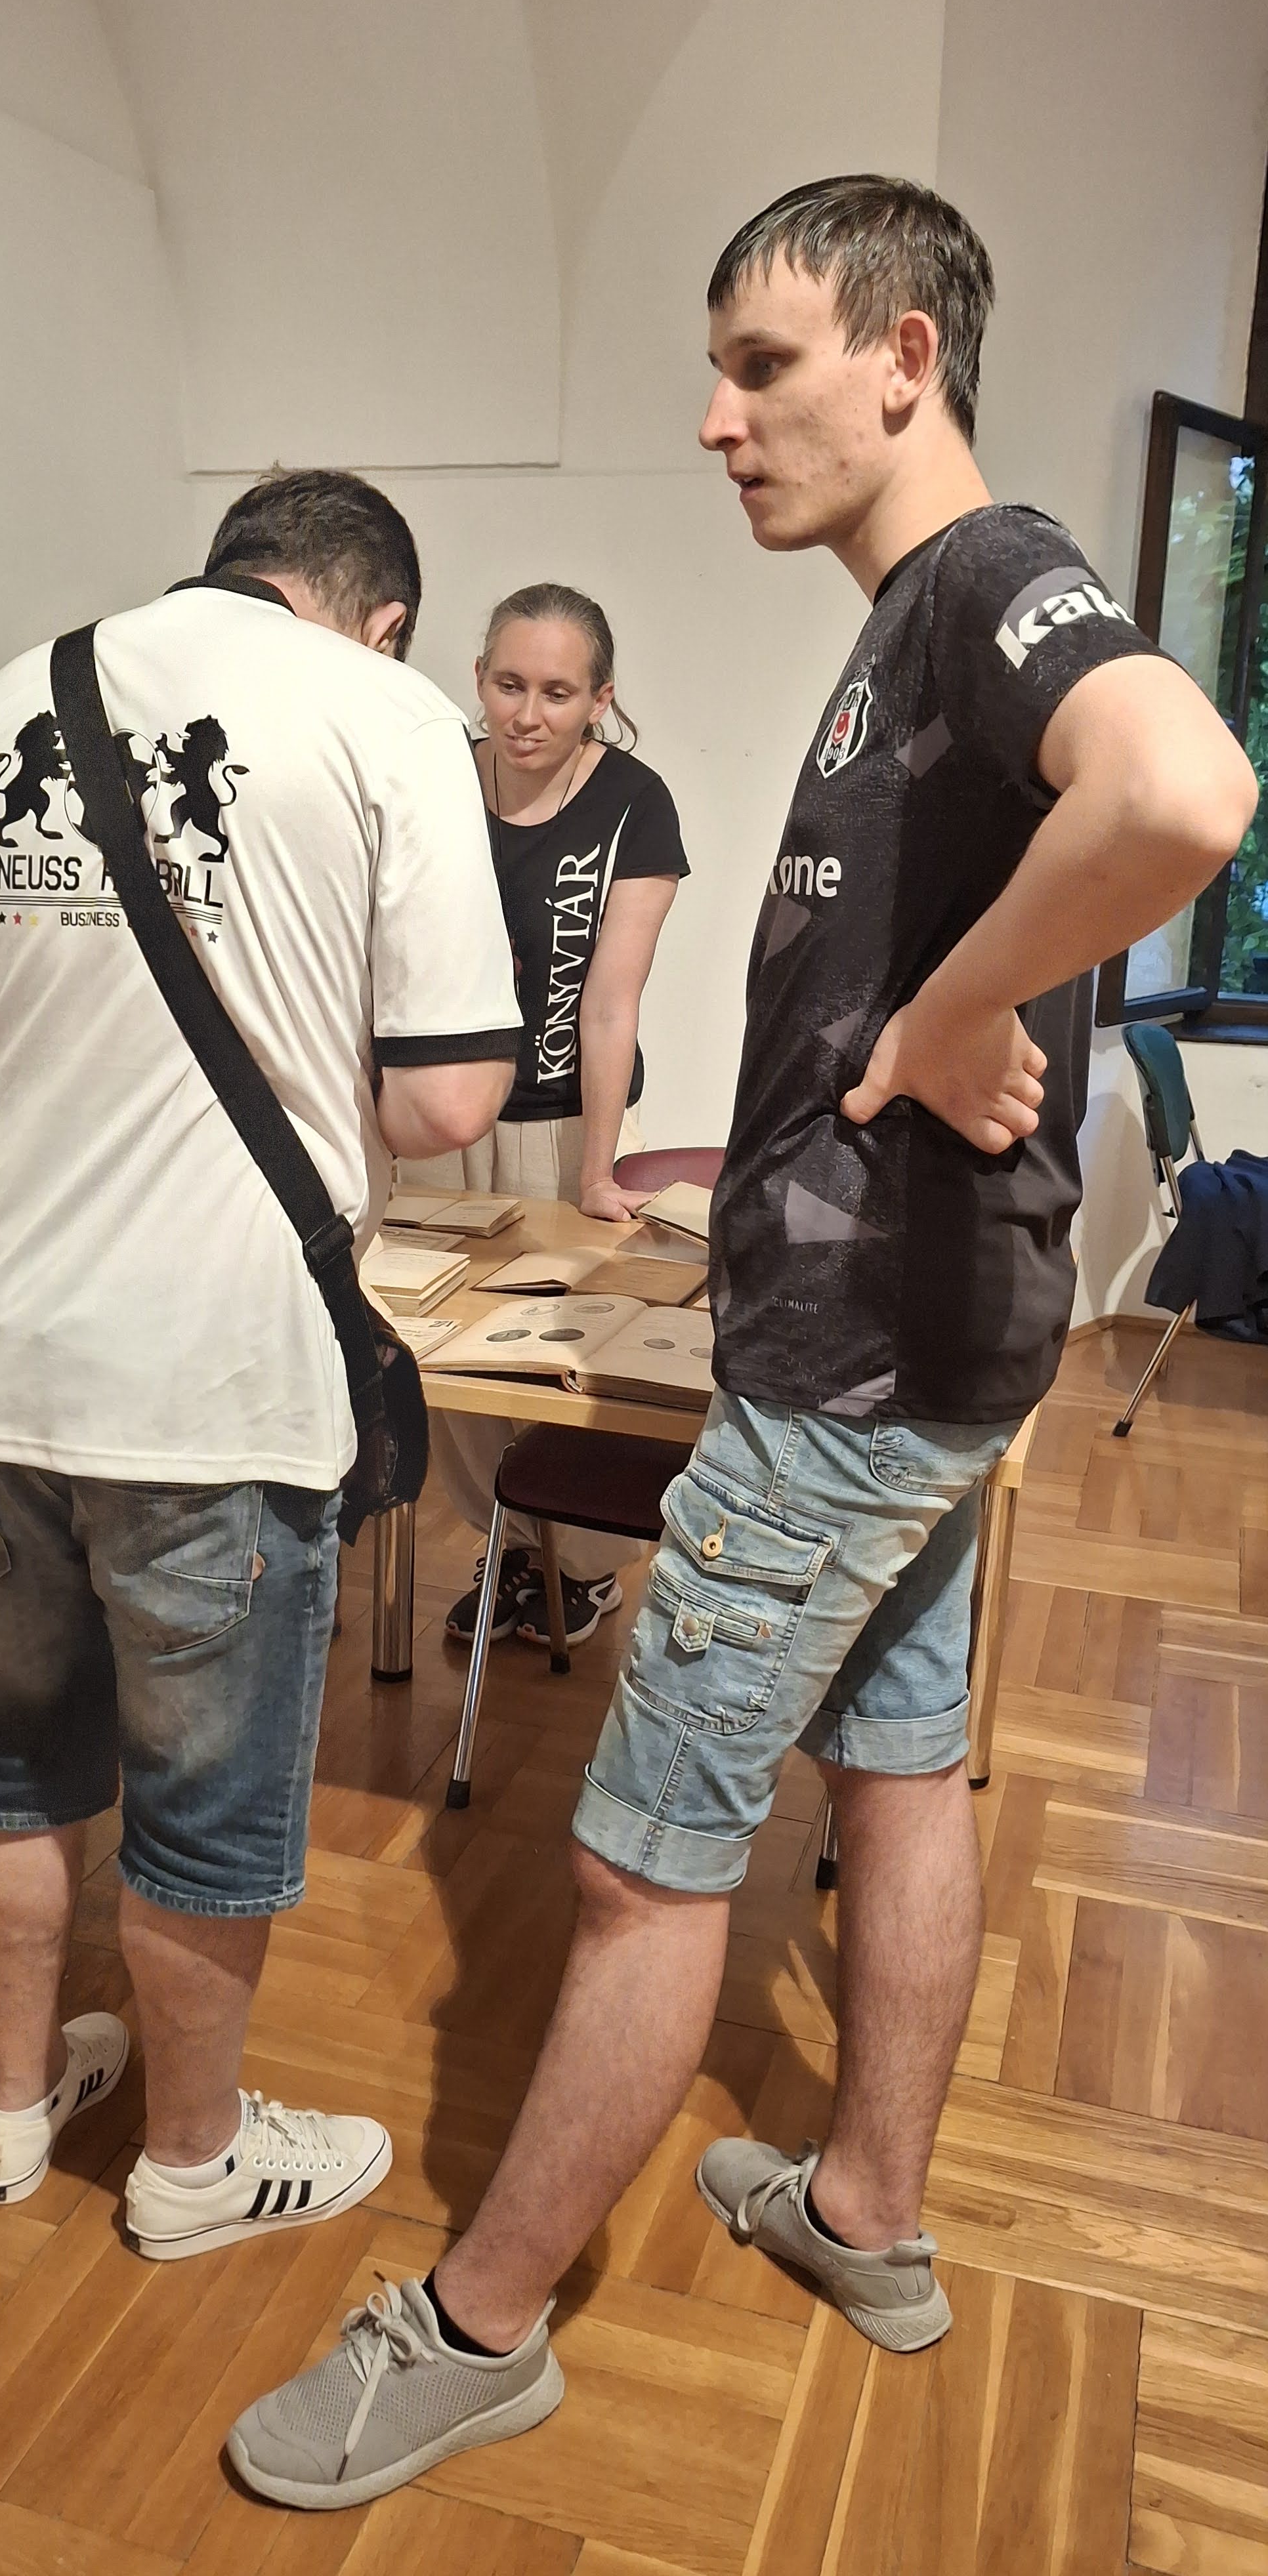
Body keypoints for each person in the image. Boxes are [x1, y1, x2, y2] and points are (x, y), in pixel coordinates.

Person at [228, 180, 1258, 2503]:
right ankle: (866, 2213)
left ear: (904, 357)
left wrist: (957, 1007)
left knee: (638, 1861)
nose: (716, 417)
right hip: (916, 1354)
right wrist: (940, 1006)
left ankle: (481, 2326)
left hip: (853, 1377)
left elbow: (1189, 788)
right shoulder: (910, 619)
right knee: (897, 1772)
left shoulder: (985, 578)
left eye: (762, 364)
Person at [0, 468, 521, 2259]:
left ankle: (14, 2110)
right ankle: (192, 2162)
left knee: (4, 1765)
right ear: (384, 619)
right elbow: (449, 1102)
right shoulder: (390, 717)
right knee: (204, 1805)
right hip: (216, 1381)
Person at [429, 585, 688, 1651]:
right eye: (507, 685)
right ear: (478, 678)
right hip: (441, 1113)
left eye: (556, 692)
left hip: (562, 1119)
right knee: (449, 1360)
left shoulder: (635, 802)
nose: (526, 715)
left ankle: (576, 1568)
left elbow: (610, 1002)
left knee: (557, 1353)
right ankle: (508, 1543)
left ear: (600, 700)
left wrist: (596, 1169)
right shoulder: (436, 777)